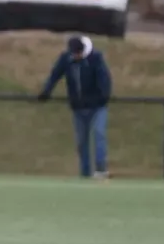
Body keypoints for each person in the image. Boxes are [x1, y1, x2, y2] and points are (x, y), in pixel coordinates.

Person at [38, 35, 112, 179]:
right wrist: (46, 91)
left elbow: (105, 80)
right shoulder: (66, 59)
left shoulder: (95, 58)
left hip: (97, 107)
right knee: (81, 142)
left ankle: (101, 169)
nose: (76, 56)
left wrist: (103, 97)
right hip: (78, 108)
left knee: (99, 134)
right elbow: (55, 74)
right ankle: (85, 173)